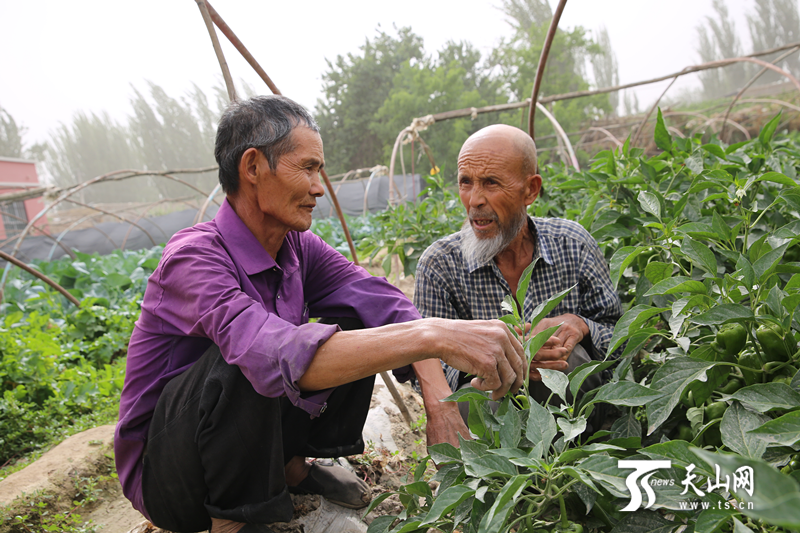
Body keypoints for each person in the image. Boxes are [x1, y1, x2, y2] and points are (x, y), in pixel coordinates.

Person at [115, 96, 524, 533]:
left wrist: (441, 403)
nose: (318, 187)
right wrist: (434, 336)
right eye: (307, 168)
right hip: (171, 475)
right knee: (244, 361)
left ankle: (291, 468)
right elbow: (270, 352)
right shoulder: (193, 259)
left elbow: (385, 304)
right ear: (253, 167)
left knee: (361, 325)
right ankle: (230, 522)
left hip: (253, 442)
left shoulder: (296, 247)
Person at [413, 124, 622, 413]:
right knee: (467, 403)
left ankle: (572, 456)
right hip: (490, 413)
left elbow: (622, 337)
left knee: (569, 363)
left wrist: (581, 325)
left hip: (572, 418)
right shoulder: (439, 265)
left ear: (530, 190)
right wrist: (491, 359)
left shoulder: (572, 244)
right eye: (465, 182)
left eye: (491, 183)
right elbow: (423, 370)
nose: (474, 200)